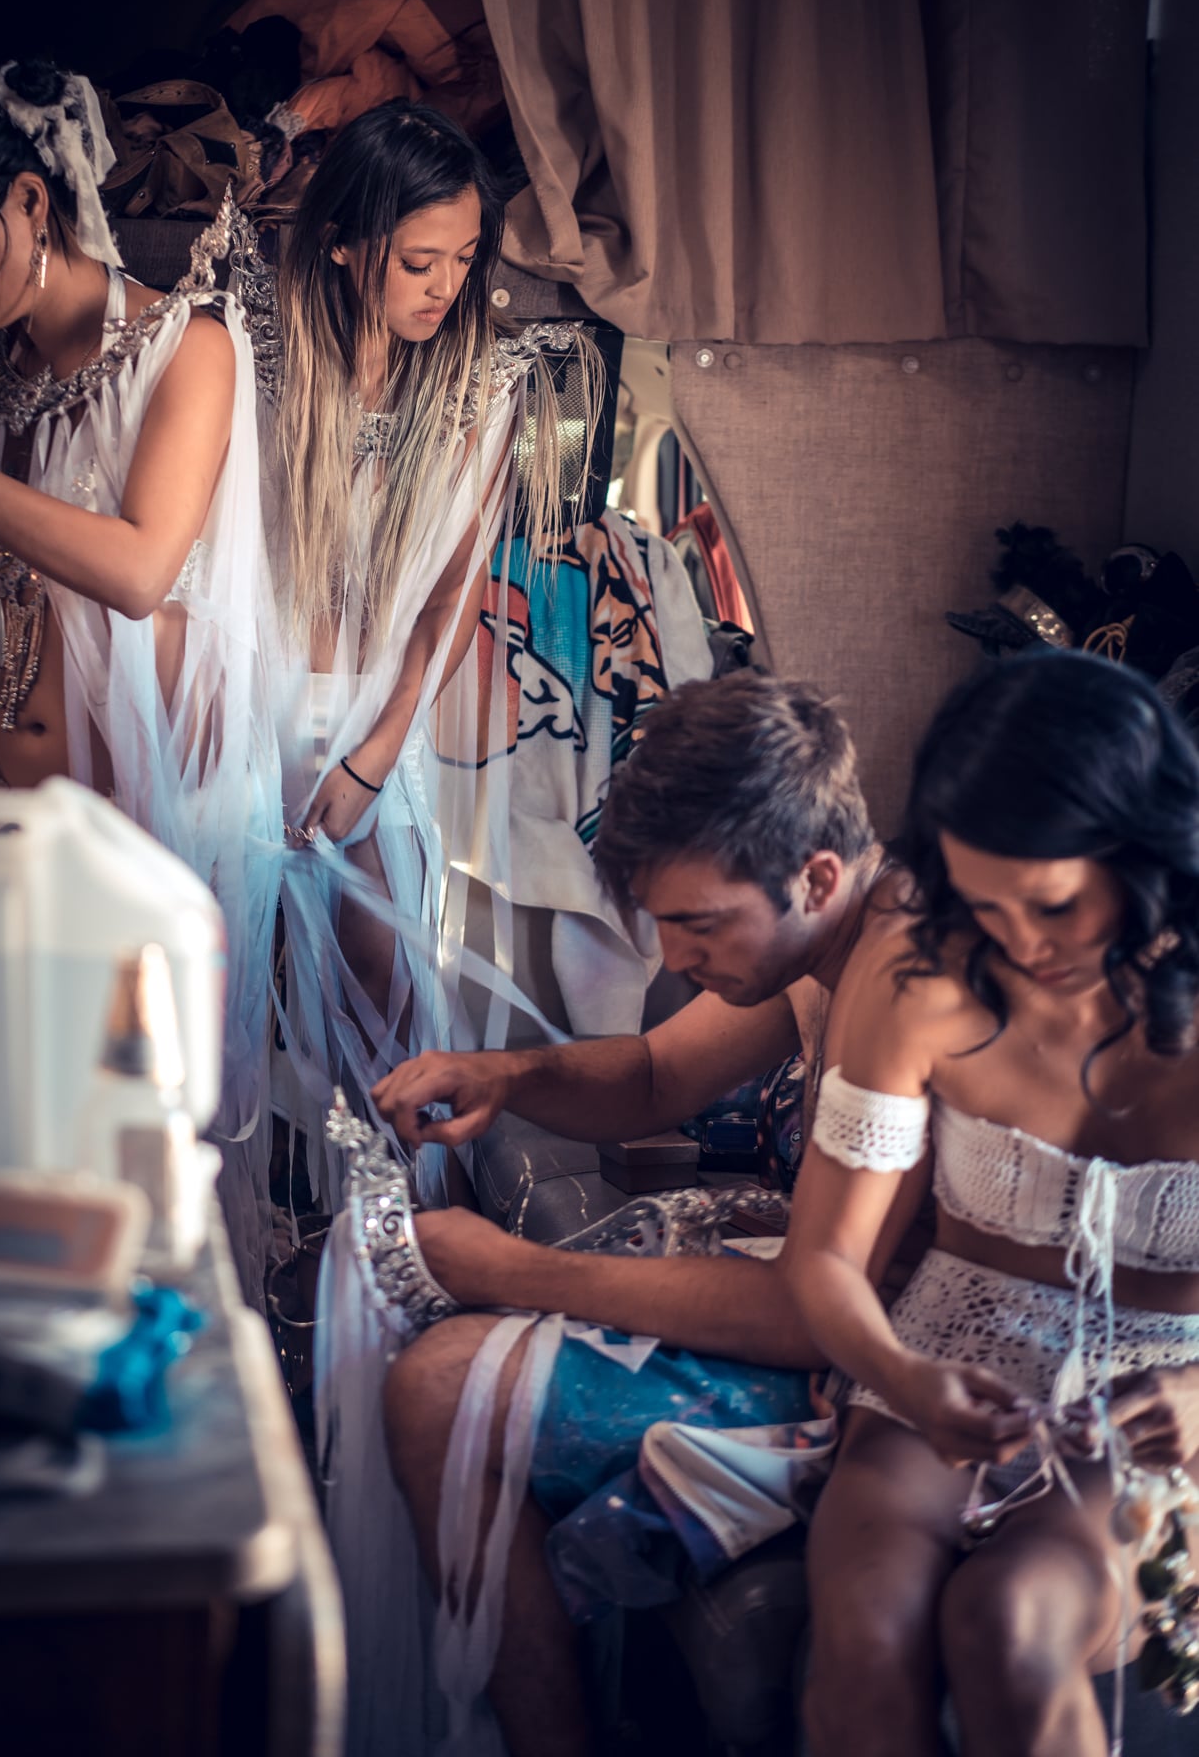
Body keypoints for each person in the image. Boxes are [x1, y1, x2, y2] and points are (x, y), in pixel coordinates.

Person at [372, 670, 926, 1757]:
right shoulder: (826, 938)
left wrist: (507, 1270)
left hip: (871, 1358)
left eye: (696, 923)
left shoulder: (896, 980)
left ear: (814, 874)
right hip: (810, 1297)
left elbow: (806, 1315)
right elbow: (648, 1077)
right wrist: (506, 1072)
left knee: (438, 1383)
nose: (672, 957)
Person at [0, 60, 283, 1293]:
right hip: (12, 824)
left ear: (33, 205)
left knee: (137, 1186)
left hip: (145, 843)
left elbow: (141, 568)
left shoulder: (185, 349)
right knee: (11, 1181)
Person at [784, 651, 1199, 1757]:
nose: (1018, 941)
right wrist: (902, 1374)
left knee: (1009, 1623)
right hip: (952, 1347)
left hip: (1170, 1390)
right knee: (867, 1634)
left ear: (1138, 853)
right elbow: (823, 1255)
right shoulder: (916, 977)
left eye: (1051, 902)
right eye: (981, 902)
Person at [269, 98, 602, 1206]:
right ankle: (261, 1229)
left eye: (463, 258)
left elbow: (449, 596)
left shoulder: (474, 387)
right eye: (419, 258)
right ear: (346, 240)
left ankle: (400, 1224)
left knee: (381, 967)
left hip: (373, 719)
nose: (443, 286)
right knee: (228, 974)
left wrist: (379, 744)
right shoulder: (264, 370)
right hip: (248, 703)